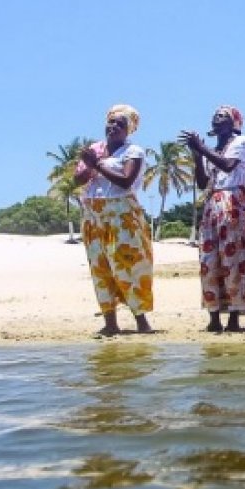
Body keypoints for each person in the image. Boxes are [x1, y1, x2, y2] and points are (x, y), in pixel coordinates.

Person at [179, 105, 245, 332]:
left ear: (234, 123)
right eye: (215, 117)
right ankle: (213, 316)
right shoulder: (213, 150)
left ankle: (233, 317)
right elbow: (203, 184)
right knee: (210, 261)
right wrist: (197, 156)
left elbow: (229, 166)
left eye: (222, 117)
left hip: (234, 203)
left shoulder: (242, 144)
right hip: (213, 205)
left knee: (233, 259)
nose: (216, 119)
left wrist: (201, 148)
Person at [72, 104, 153, 336]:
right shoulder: (94, 149)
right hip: (94, 216)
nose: (114, 127)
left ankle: (141, 322)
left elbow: (126, 180)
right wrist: (89, 164)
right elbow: (78, 179)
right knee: (100, 268)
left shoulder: (133, 151)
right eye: (111, 122)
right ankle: (110, 322)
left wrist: (97, 164)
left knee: (127, 266)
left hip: (122, 215)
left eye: (121, 124)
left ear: (129, 130)